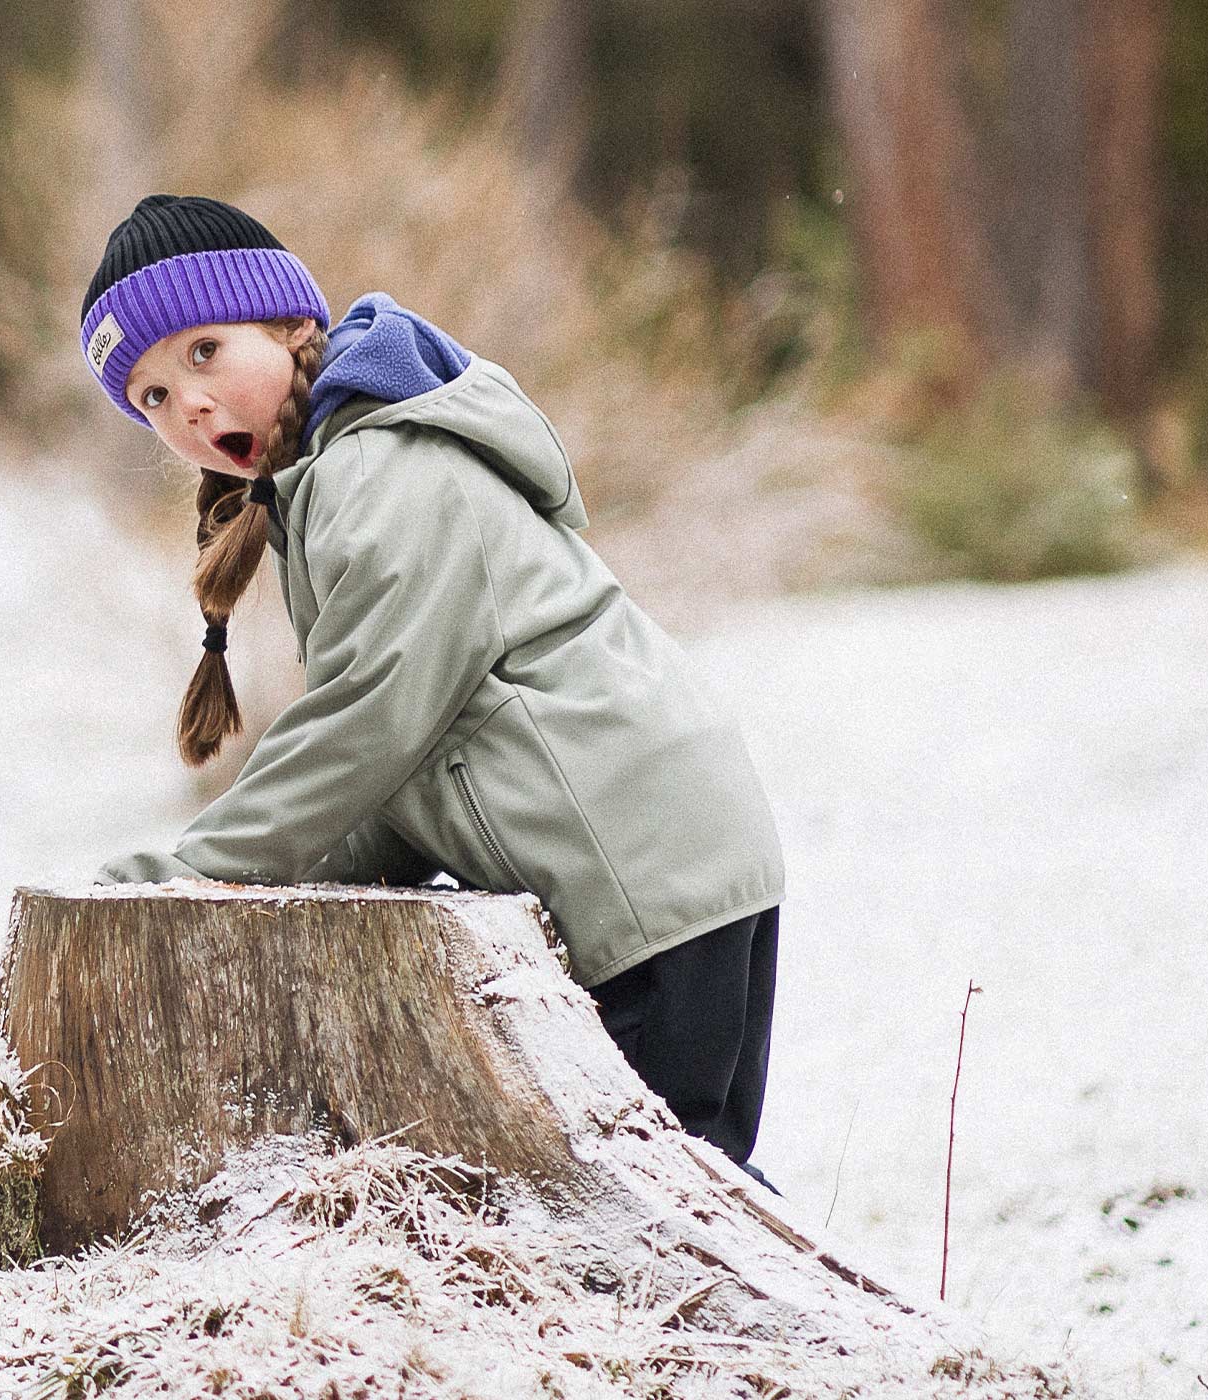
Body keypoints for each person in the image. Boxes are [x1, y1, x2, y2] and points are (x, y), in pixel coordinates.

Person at [78, 194, 790, 1187]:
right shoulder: (329, 482)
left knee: (652, 1197)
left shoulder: (382, 466)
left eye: (203, 351)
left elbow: (376, 710)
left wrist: (202, 867)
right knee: (666, 1181)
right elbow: (395, 767)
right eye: (151, 395)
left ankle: (788, 1349)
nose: (186, 405)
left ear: (291, 328)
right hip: (663, 846)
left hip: (639, 859)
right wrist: (251, 874)